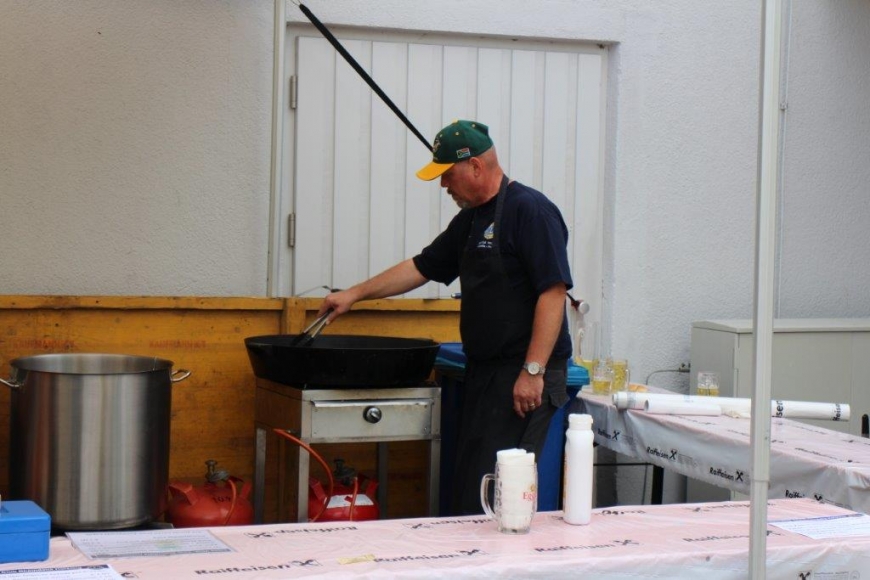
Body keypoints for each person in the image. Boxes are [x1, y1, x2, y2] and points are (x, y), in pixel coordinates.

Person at [317, 119, 573, 515]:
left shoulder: (531, 211)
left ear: (475, 167)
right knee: (472, 486)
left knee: (501, 493)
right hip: (484, 372)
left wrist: (534, 370)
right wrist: (353, 294)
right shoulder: (470, 221)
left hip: (524, 377)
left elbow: (553, 293)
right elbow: (421, 267)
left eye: (447, 175)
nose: (443, 186)